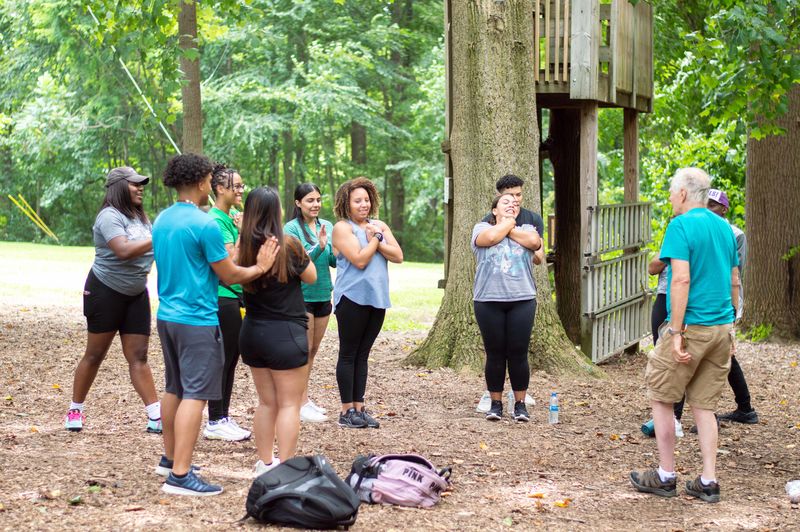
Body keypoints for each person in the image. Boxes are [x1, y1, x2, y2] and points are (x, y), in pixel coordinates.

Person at [152, 153, 277, 496]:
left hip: (167, 317)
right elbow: (231, 274)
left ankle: (170, 458)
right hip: (197, 319)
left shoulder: (162, 220)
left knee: (174, 388)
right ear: (199, 182)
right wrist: (261, 267)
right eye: (209, 178)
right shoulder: (204, 223)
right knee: (195, 393)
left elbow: (203, 262)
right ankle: (180, 476)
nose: (211, 184)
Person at [631, 167, 740, 503]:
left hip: (692, 325)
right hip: (722, 328)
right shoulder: (724, 227)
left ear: (682, 194)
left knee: (662, 396)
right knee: (704, 406)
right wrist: (732, 321)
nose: (669, 198)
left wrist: (676, 332)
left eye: (670, 192)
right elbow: (734, 278)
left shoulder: (680, 226)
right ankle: (708, 480)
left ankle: (665, 475)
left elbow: (680, 279)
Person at [64, 167, 161, 433]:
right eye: (135, 184)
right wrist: (158, 238)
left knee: (139, 355)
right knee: (95, 354)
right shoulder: (109, 216)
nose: (140, 188)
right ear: (119, 187)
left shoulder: (142, 219)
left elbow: (154, 252)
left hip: (136, 293)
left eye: (141, 184)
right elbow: (123, 250)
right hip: (105, 292)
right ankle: (75, 409)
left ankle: (155, 416)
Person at [238, 187, 317, 475]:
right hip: (286, 333)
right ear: (276, 212)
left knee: (266, 402)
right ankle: (285, 467)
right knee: (288, 405)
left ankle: (265, 463)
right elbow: (312, 276)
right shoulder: (289, 244)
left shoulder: (242, 247)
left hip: (253, 333)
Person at [331, 177, 403, 429]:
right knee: (349, 353)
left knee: (363, 355)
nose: (363, 204)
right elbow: (359, 260)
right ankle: (345, 410)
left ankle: (359, 408)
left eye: (366, 199)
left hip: (376, 298)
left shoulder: (378, 225)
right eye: (357, 200)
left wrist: (378, 236)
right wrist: (376, 239)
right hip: (352, 298)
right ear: (346, 204)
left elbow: (399, 256)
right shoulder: (343, 228)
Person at [472, 193, 542, 422]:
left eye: (515, 204)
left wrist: (509, 225)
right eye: (506, 203)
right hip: (488, 300)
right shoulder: (481, 227)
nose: (512, 205)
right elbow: (490, 239)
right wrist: (509, 225)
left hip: (522, 299)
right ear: (494, 210)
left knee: (518, 353)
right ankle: (495, 404)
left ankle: (520, 405)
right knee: (494, 353)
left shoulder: (529, 228)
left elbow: (534, 244)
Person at [200, 163, 252, 442]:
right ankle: (215, 419)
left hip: (235, 296)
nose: (242, 189)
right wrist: (243, 231)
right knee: (224, 359)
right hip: (223, 297)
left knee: (231, 359)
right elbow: (231, 261)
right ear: (220, 188)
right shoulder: (217, 221)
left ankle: (223, 416)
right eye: (237, 186)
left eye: (243, 185)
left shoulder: (230, 216)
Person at [284, 183, 336, 423]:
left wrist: (341, 251)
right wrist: (320, 246)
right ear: (298, 203)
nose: (315, 204)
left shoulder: (328, 226)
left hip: (324, 295)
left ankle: (304, 399)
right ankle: (298, 402)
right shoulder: (291, 229)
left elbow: (333, 260)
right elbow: (299, 262)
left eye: (318, 200)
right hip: (302, 297)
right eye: (309, 200)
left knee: (312, 352)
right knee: (301, 352)